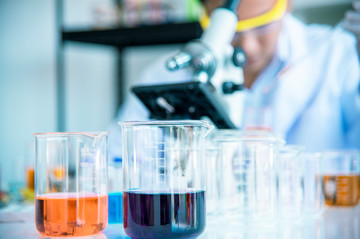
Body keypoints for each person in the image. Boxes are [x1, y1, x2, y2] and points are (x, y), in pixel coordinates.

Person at [108, 0, 360, 160]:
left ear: (287, 5)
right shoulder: (168, 74)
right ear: (204, 13)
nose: (247, 47)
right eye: (233, 32)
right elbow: (117, 158)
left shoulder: (339, 53)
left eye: (261, 26)